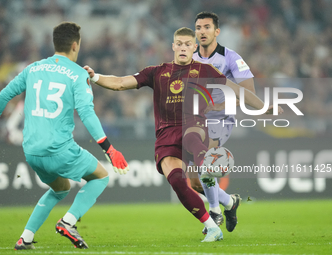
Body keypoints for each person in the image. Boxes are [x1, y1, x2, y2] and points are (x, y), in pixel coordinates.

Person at [84, 27, 279, 242]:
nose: (184, 47)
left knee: (197, 152)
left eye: (188, 44)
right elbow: (120, 83)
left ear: (194, 47)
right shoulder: (156, 72)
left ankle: (214, 209)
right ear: (173, 46)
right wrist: (95, 77)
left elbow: (237, 91)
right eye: (180, 43)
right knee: (183, 182)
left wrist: (262, 107)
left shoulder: (205, 71)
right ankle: (224, 209)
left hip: (195, 129)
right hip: (166, 135)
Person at [0, 22, 129, 250]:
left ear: (55, 43)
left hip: (32, 151)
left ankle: (25, 238)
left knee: (61, 188)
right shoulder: (77, 74)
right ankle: (68, 222)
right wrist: (109, 149)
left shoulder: (33, 68)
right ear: (75, 45)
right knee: (101, 176)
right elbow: (86, 113)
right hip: (59, 148)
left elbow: (3, 96)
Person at [191, 11, 256, 234]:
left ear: (216, 31)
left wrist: (220, 106)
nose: (202, 31)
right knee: (194, 182)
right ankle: (230, 202)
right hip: (194, 124)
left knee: (206, 164)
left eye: (207, 27)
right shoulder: (188, 57)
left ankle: (215, 211)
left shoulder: (230, 58)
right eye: (198, 27)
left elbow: (248, 92)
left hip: (220, 121)